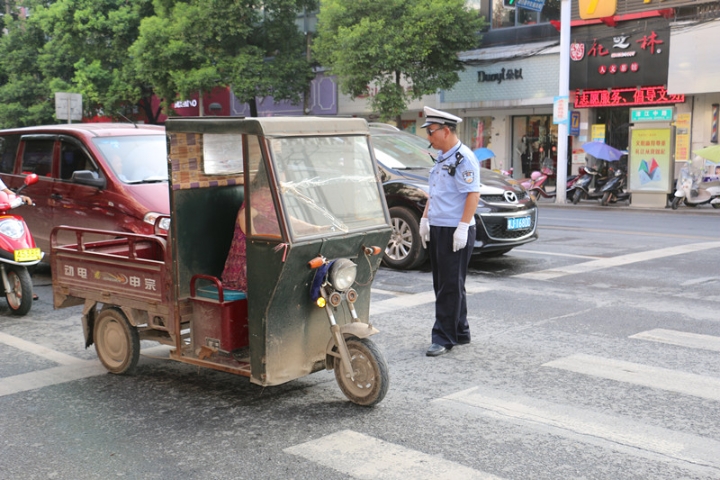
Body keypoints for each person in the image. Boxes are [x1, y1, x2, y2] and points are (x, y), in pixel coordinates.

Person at [419, 106, 481, 357]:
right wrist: (425, 219)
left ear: (445, 131)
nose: (428, 137)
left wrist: (463, 227)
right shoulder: (443, 157)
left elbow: (473, 194)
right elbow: (434, 192)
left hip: (454, 228)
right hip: (439, 226)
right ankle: (460, 330)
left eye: (431, 131)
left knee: (449, 286)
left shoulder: (464, 158)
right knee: (447, 283)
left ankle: (443, 337)